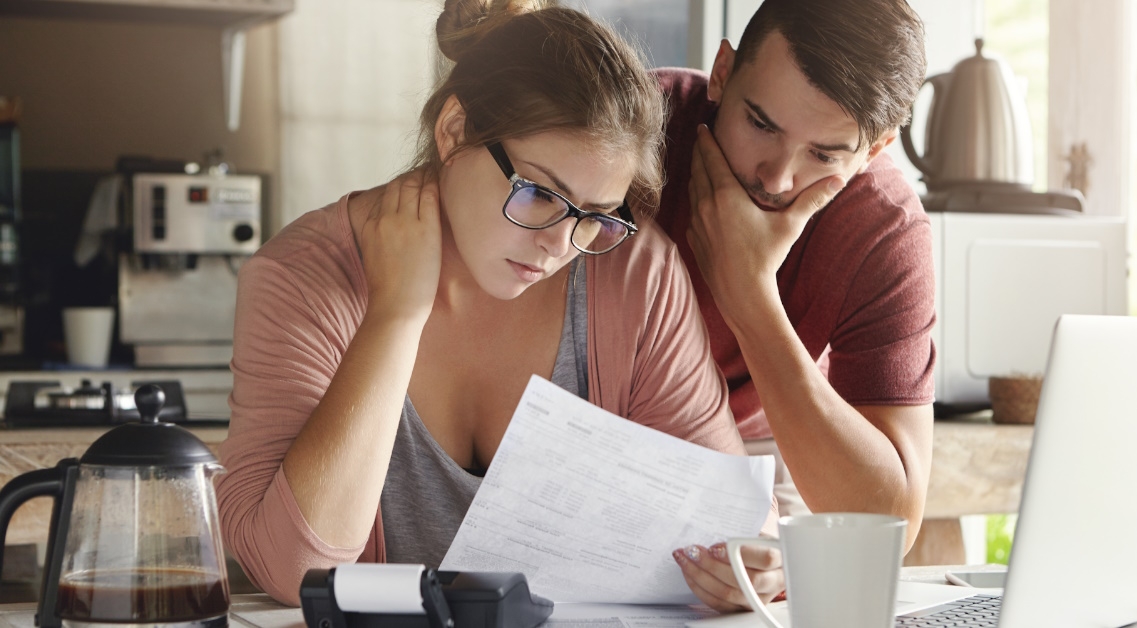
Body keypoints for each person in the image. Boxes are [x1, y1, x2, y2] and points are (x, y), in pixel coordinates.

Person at [215, 0, 781, 609]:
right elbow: (292, 570)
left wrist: (753, 564)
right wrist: (395, 316)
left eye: (594, 217)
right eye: (539, 193)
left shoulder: (633, 271)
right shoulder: (302, 277)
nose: (560, 245)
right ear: (455, 130)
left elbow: (732, 520)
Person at [658, 0, 937, 610]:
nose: (779, 178)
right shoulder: (634, 130)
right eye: (761, 124)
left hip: (766, 443)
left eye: (825, 154)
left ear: (876, 148)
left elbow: (890, 521)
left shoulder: (883, 228)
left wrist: (749, 295)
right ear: (724, 71)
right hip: (594, 419)